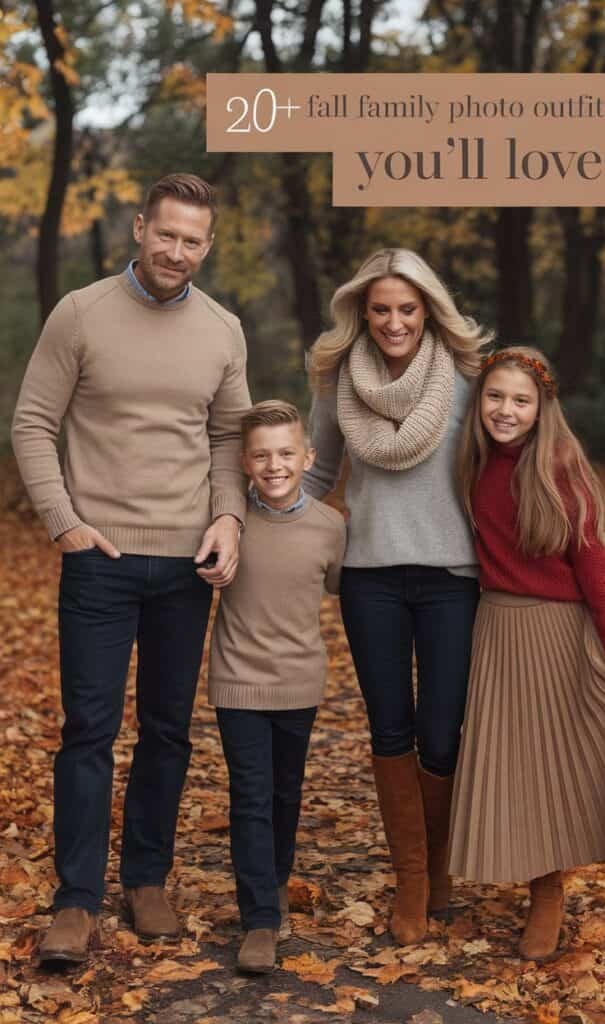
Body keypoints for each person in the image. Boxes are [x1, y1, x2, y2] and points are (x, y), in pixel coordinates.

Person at [11, 173, 252, 964]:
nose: (176, 251)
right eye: (166, 233)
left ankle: (147, 879)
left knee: (167, 731)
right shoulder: (80, 313)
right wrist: (65, 522)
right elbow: (34, 422)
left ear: (206, 247)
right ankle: (75, 900)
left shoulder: (223, 330)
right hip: (99, 562)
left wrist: (227, 515)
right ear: (140, 227)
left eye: (192, 241)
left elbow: (228, 438)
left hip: (185, 564)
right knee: (88, 732)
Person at [448, 346, 605, 959]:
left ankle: (549, 889)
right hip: (496, 629)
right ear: (480, 401)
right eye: (495, 396)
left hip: (560, 631)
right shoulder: (470, 463)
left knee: (557, 757)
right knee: (513, 760)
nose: (505, 410)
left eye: (521, 400)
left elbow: (594, 567)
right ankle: (521, 870)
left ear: (543, 407)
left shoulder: (559, 471)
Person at [304, 248, 491, 944]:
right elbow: (317, 469)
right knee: (390, 730)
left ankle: (439, 870)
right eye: (379, 309)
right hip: (370, 576)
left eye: (406, 309)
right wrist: (264, 522)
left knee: (441, 732)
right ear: (361, 310)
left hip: (452, 578)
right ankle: (410, 879)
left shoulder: (468, 379)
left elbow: (506, 464)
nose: (392, 322)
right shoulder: (336, 380)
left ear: (427, 310)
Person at [208, 400, 345, 973]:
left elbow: (339, 588)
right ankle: (260, 918)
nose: (274, 464)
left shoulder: (332, 527)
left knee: (286, 793)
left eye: (286, 452)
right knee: (251, 795)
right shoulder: (227, 520)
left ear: (308, 457)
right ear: (244, 461)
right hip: (238, 681)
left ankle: (276, 882)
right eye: (261, 455)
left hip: (300, 681)